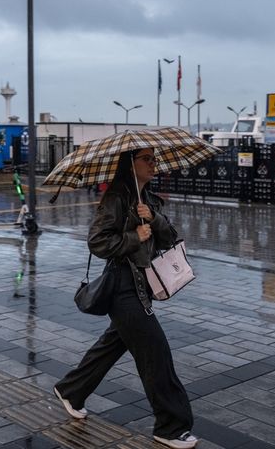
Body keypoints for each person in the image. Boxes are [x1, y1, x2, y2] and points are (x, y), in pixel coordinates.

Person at [54, 148, 198, 449]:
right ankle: (170, 427)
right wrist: (135, 236)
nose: (154, 164)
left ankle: (72, 389)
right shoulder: (117, 197)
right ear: (130, 163)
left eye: (155, 159)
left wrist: (153, 219)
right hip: (122, 285)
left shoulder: (150, 199)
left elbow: (171, 238)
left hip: (141, 285)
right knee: (155, 353)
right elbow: (97, 241)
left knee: (111, 345)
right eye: (148, 159)